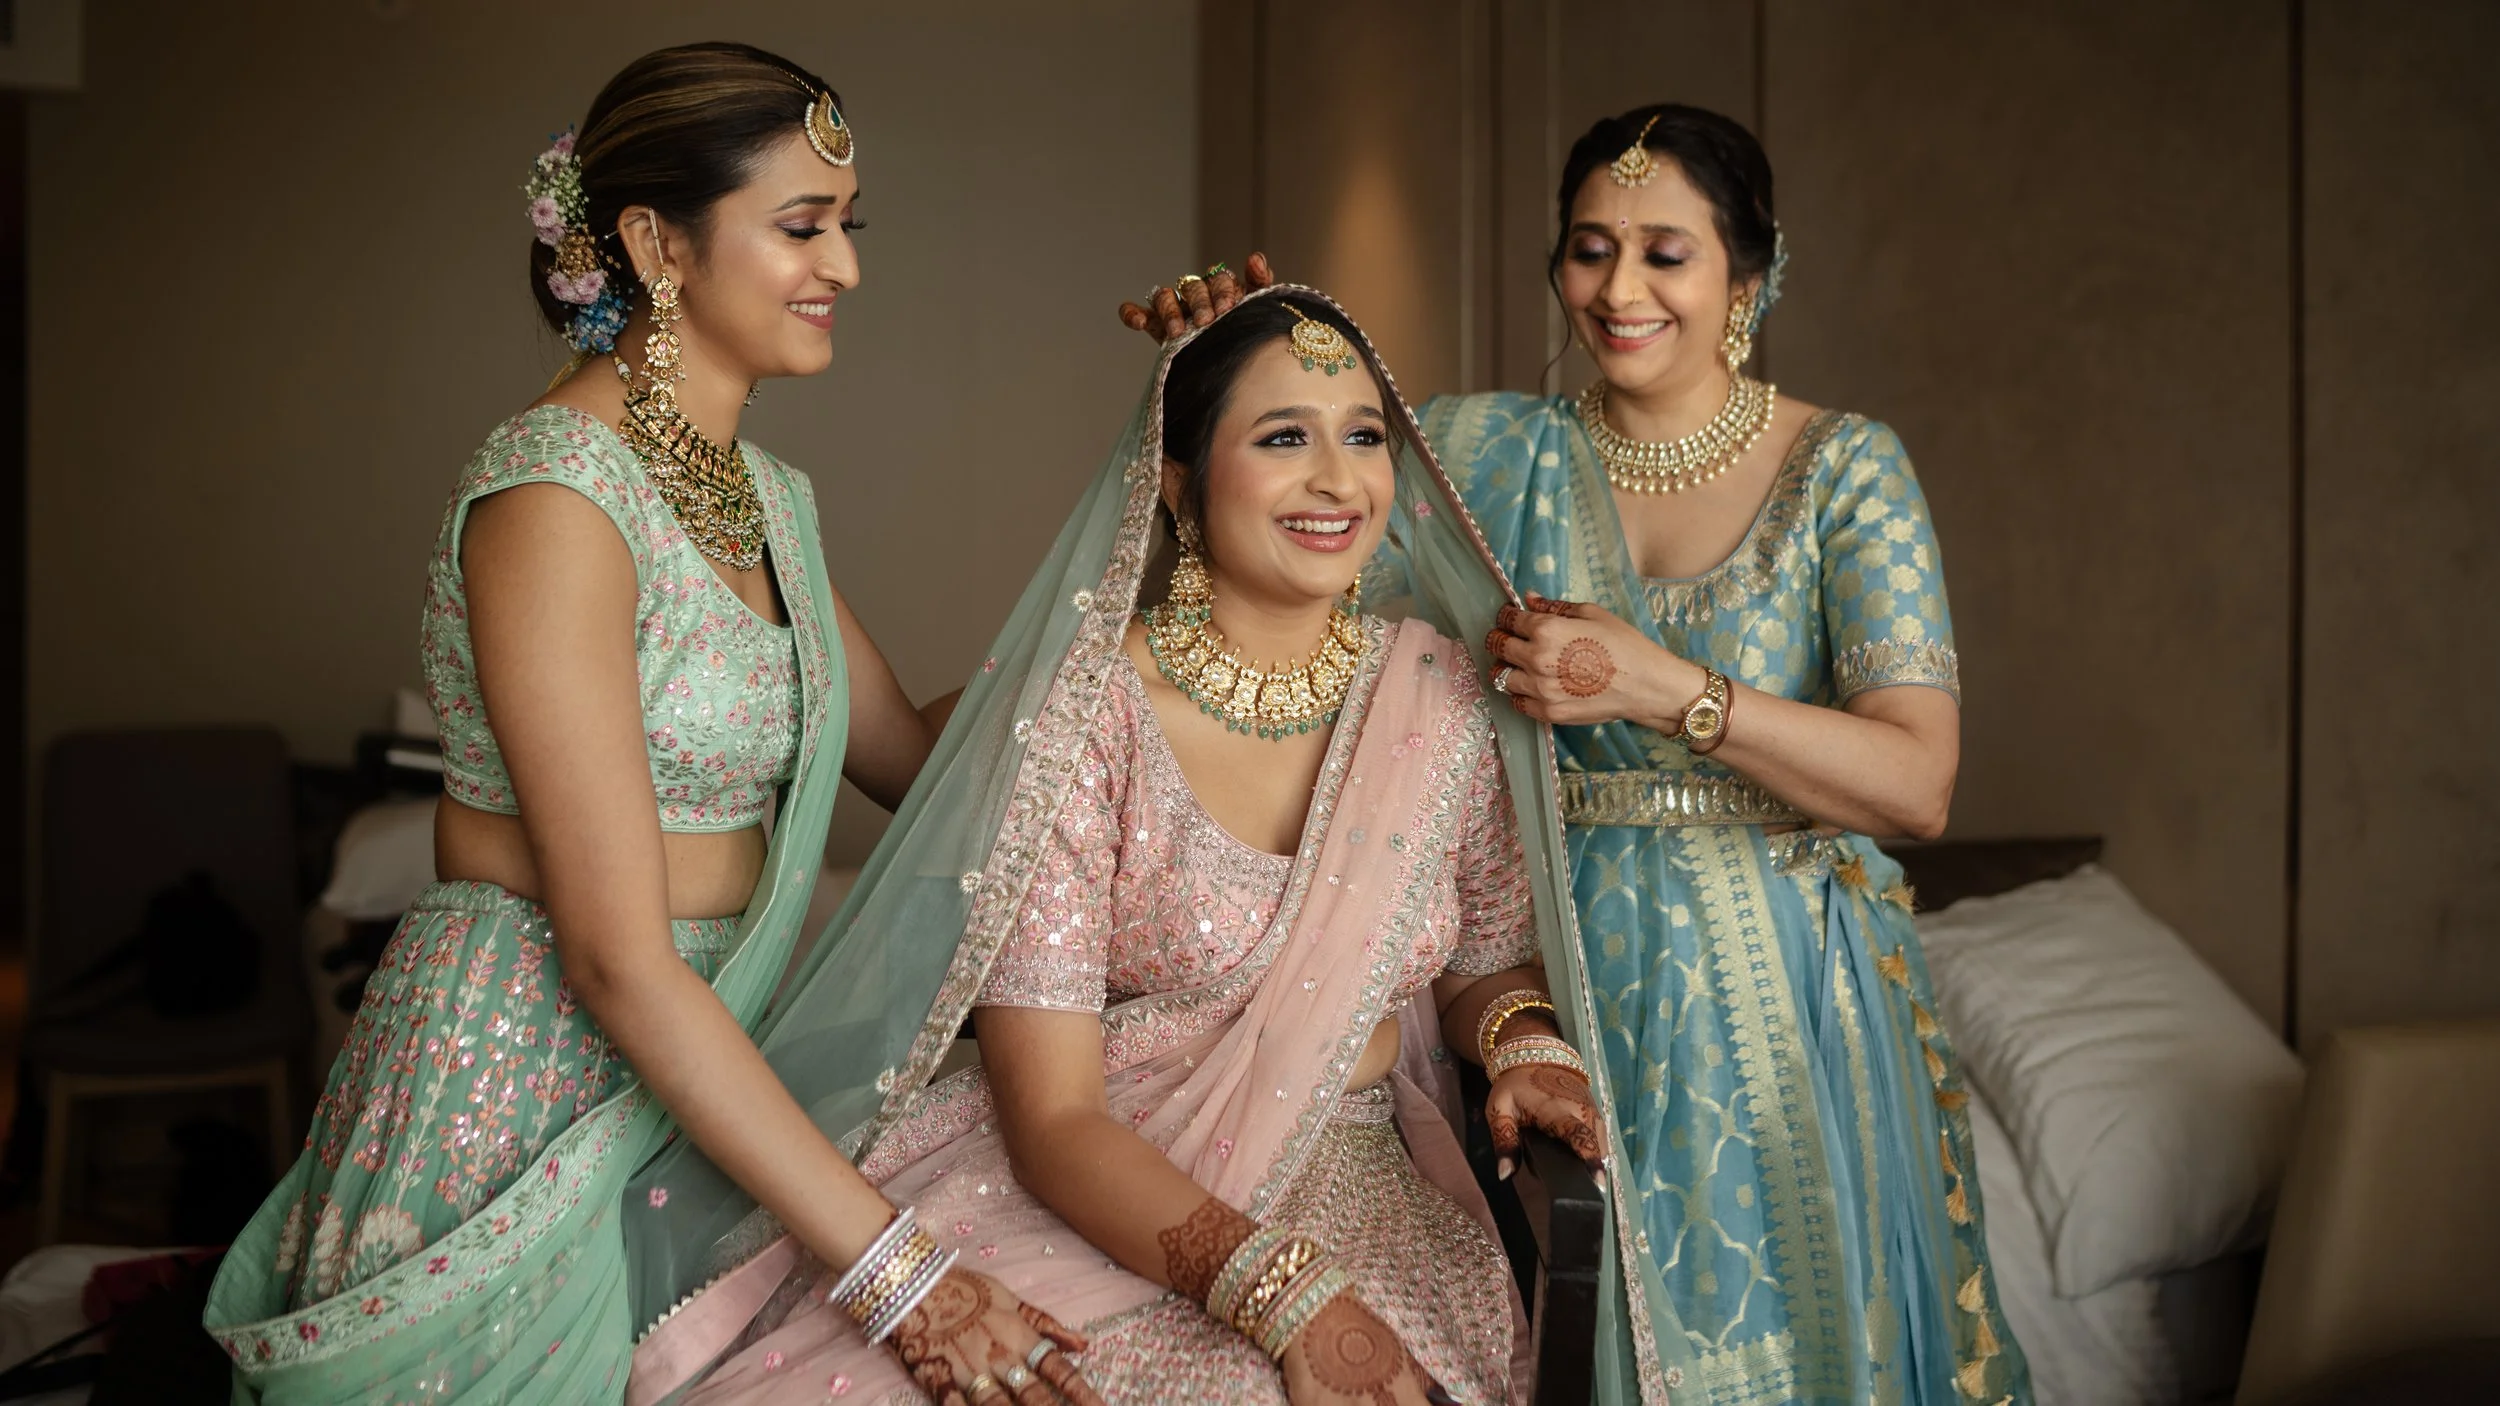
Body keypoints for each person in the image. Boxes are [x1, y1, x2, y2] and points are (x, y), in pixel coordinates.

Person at [203, 44, 1100, 1404]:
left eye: (846, 228)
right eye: (802, 227)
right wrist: (899, 1274)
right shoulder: (558, 498)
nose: (845, 268)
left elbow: (922, 765)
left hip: (699, 1073)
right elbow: (616, 960)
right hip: (516, 1100)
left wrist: (1169, 508)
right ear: (650, 242)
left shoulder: (763, 500)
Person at [1126, 105, 2031, 1405]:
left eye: (1668, 252)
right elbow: (1272, 572)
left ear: (1751, 276)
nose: (1620, 288)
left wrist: (1669, 689)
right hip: (1540, 967)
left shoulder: (1844, 470)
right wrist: (1233, 360)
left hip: (1783, 999)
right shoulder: (1482, 453)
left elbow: (1919, 781)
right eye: (1590, 248)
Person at [623, 288, 1616, 1406]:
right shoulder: (1084, 713)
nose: (1340, 481)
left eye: (1365, 437)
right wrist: (1284, 1294)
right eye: (1284, 436)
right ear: (1179, 482)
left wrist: (1524, 1039)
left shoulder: (1437, 695)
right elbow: (1052, 1116)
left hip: (1362, 1178)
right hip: (1096, 1180)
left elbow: (1484, 955)